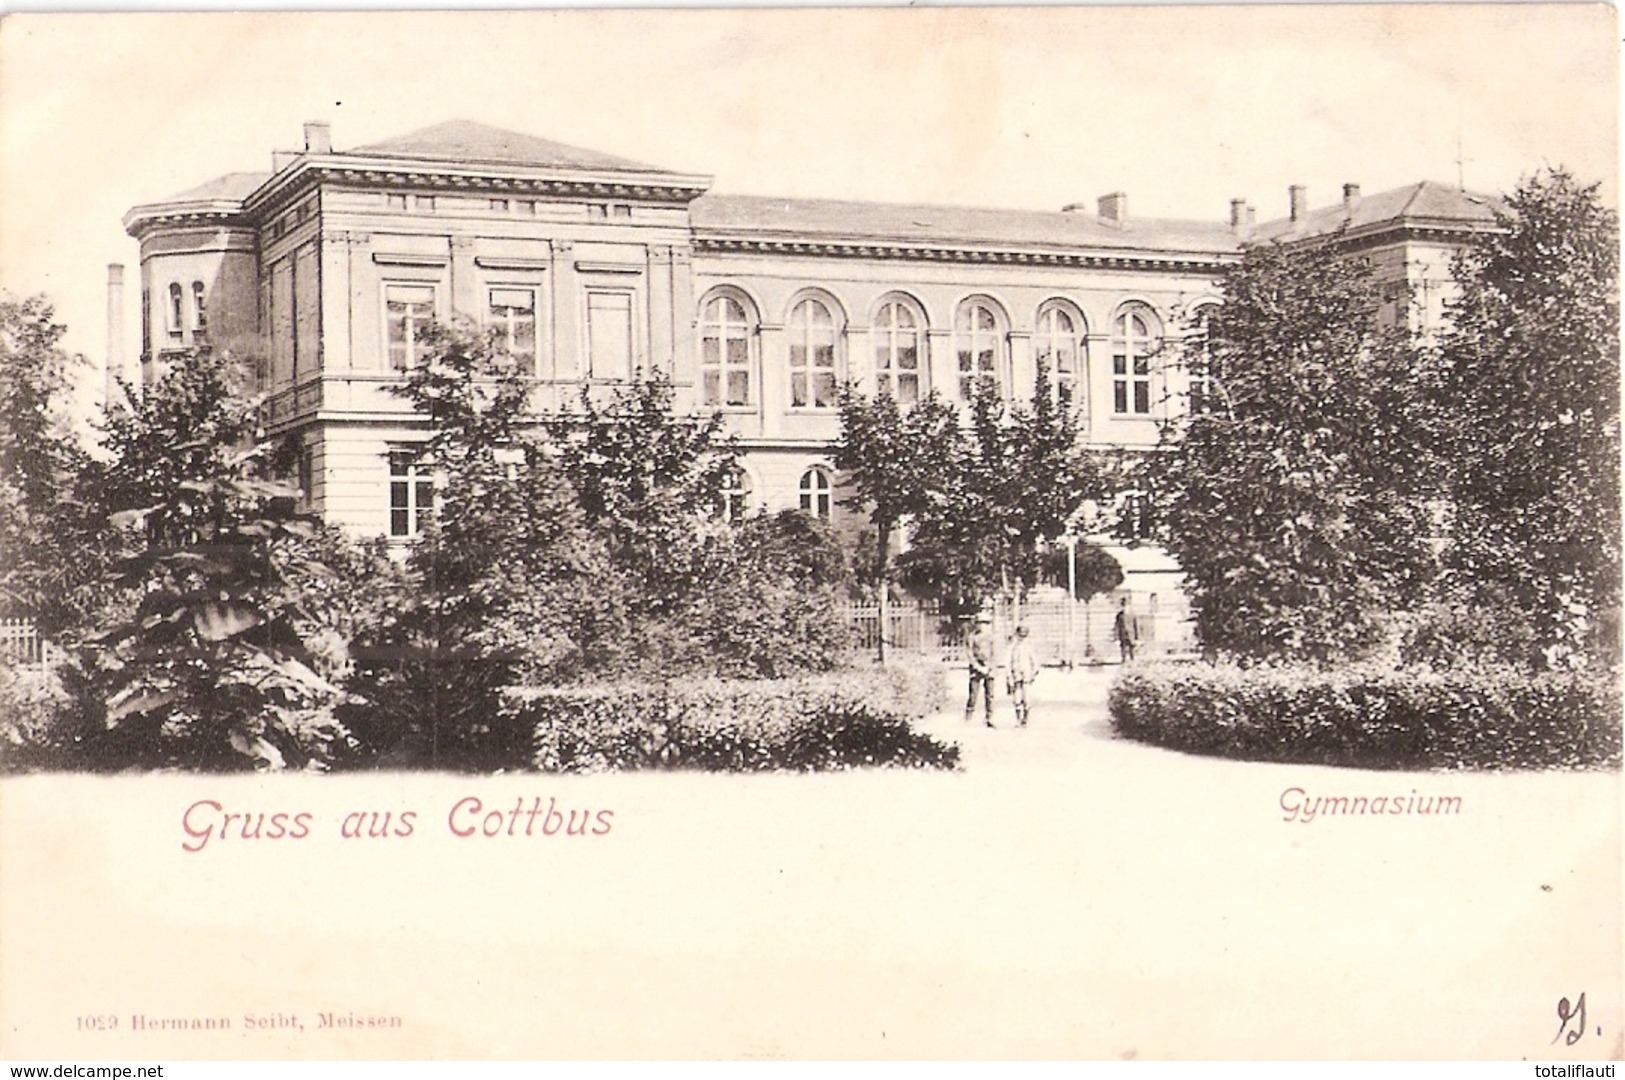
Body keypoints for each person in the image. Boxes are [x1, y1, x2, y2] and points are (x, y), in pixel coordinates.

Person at [964, 612, 996, 727]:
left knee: (990, 694)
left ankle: (989, 718)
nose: (982, 626)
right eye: (980, 623)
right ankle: (968, 717)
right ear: (976, 624)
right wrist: (978, 667)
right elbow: (970, 654)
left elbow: (995, 653)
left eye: (985, 623)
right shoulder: (972, 637)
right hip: (976, 668)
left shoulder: (991, 637)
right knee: (973, 694)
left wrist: (990, 666)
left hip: (989, 667)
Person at [1005, 625, 1039, 727]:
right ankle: (1018, 719)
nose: (1022, 638)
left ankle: (1025, 719)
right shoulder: (1012, 647)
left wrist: (1034, 673)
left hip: (1026, 675)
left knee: (1027, 697)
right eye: (1020, 635)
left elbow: (1035, 662)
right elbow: (1007, 662)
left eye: (1024, 636)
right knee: (1017, 698)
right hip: (1016, 675)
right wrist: (1009, 676)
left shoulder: (1029, 647)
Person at [1114, 597, 1139, 663]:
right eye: (1123, 605)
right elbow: (1117, 626)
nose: (1124, 607)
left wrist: (1137, 637)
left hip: (1131, 634)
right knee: (1123, 649)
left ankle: (1132, 660)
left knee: (1132, 649)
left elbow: (1135, 625)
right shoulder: (1119, 615)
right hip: (1122, 634)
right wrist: (1116, 638)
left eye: (1126, 605)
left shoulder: (1132, 614)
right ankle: (1123, 660)